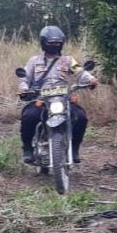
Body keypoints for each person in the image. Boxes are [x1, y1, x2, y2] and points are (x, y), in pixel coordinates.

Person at [18, 25, 98, 164]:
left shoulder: (68, 60)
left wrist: (91, 79)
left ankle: (74, 149)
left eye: (57, 43)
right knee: (28, 116)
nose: (54, 46)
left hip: (64, 100)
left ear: (61, 44)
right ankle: (27, 149)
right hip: (41, 100)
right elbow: (24, 79)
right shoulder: (34, 61)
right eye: (51, 43)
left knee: (81, 117)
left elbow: (80, 72)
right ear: (43, 43)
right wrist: (24, 88)